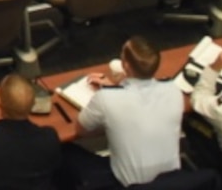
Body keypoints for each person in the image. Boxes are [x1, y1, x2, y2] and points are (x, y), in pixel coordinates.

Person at [70, 36, 183, 189]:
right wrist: (118, 86)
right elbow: (142, 106)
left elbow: (81, 130)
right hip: (174, 183)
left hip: (130, 185)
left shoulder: (105, 98)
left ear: (126, 66)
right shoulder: (174, 90)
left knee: (68, 152)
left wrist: (111, 116)